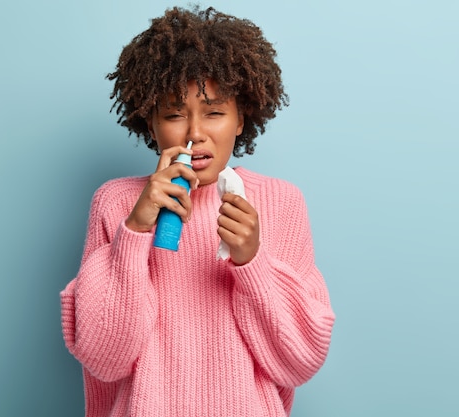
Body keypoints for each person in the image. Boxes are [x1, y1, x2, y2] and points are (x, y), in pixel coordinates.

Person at [60, 6, 335, 417]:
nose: (194, 132)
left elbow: (299, 361)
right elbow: (104, 359)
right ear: (149, 123)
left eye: (215, 112)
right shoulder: (116, 203)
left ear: (242, 117)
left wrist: (252, 263)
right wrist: (135, 231)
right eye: (173, 114)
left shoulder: (280, 202)